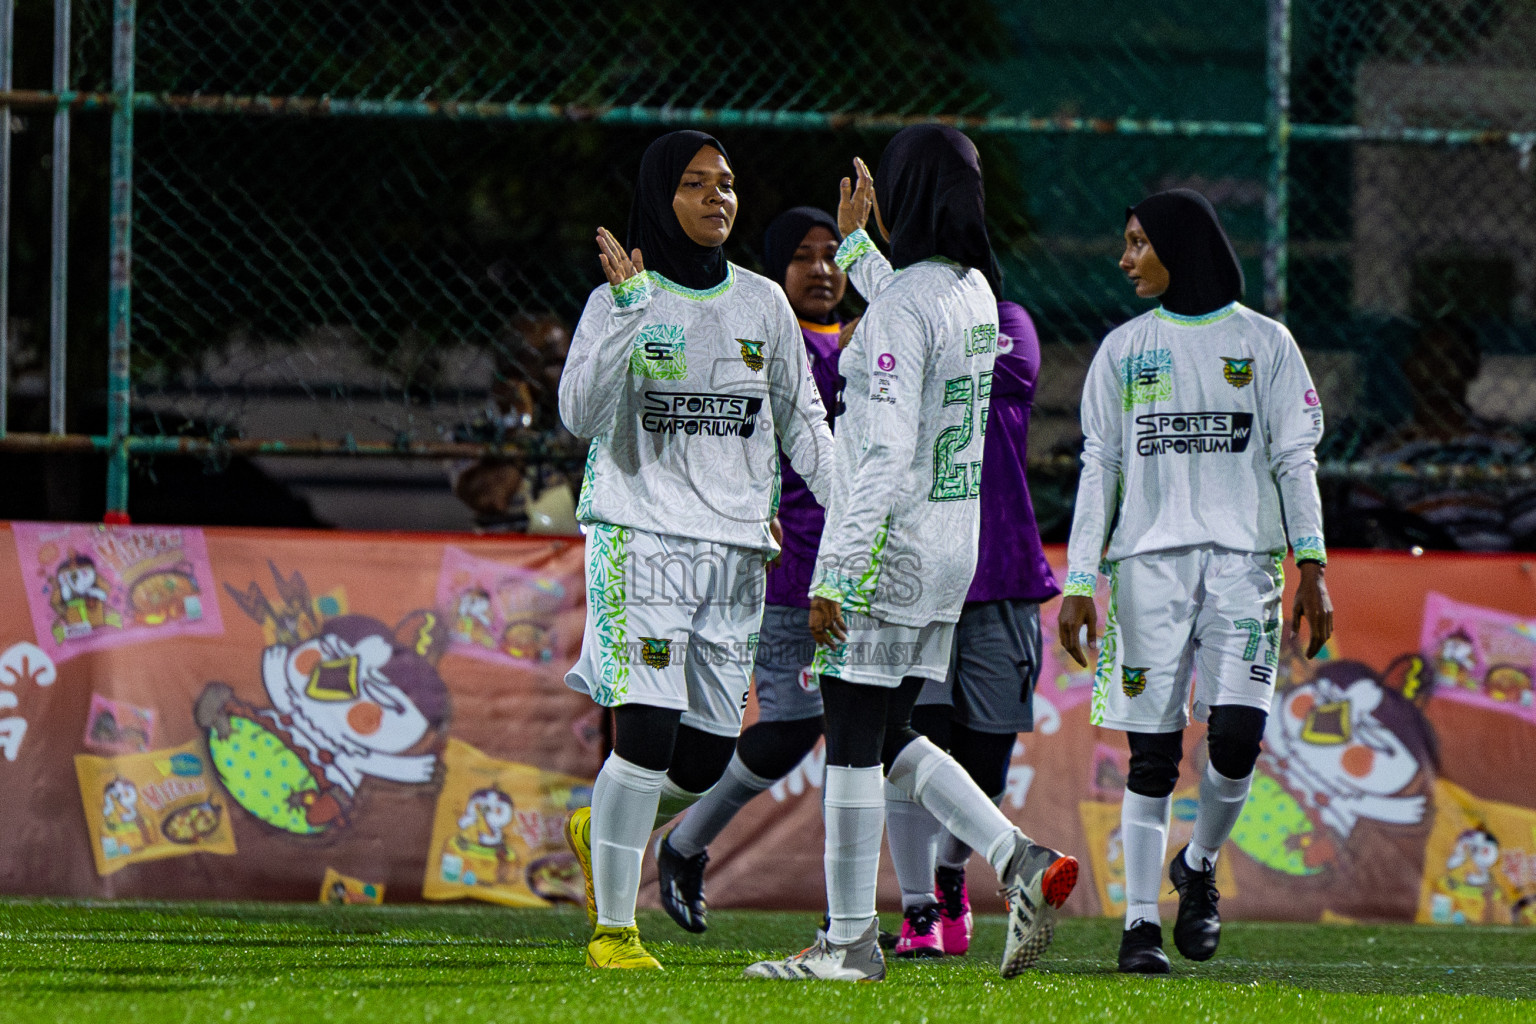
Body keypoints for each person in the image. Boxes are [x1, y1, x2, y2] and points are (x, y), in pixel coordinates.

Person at [745, 126, 1077, 983]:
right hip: (948, 556)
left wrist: (836, 572)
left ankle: (848, 943)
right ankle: (1017, 859)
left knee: (853, 741)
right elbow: (912, 316)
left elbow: (885, 455)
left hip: (887, 554)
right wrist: (860, 248)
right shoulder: (972, 290)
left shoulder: (904, 304)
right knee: (889, 733)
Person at [558, 130, 835, 971]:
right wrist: (632, 310)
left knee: (708, 752)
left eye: (726, 183)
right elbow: (579, 414)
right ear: (659, 197)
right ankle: (614, 931)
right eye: (694, 184)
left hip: (734, 552)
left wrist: (850, 512)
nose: (718, 198)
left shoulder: (762, 303)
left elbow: (803, 423)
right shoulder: (622, 299)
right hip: (639, 535)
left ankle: (601, 822)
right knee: (641, 730)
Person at [1055, 189, 1334, 975]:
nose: (1125, 258)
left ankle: (1200, 865)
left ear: (1183, 244)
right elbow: (1098, 470)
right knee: (1151, 757)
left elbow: (1294, 460)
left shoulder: (1267, 343)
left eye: (1140, 242)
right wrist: (1081, 579)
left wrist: (1312, 564)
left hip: (1246, 568)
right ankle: (1140, 924)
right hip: (1147, 570)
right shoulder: (1123, 349)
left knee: (1239, 739)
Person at [655, 205, 849, 934]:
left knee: (852, 730)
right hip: (791, 565)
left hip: (863, 564)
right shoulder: (764, 333)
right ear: (775, 267)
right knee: (798, 727)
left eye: (833, 253)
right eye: (803, 255)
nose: (823, 268)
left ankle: (866, 909)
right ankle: (682, 840)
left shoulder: (867, 341)